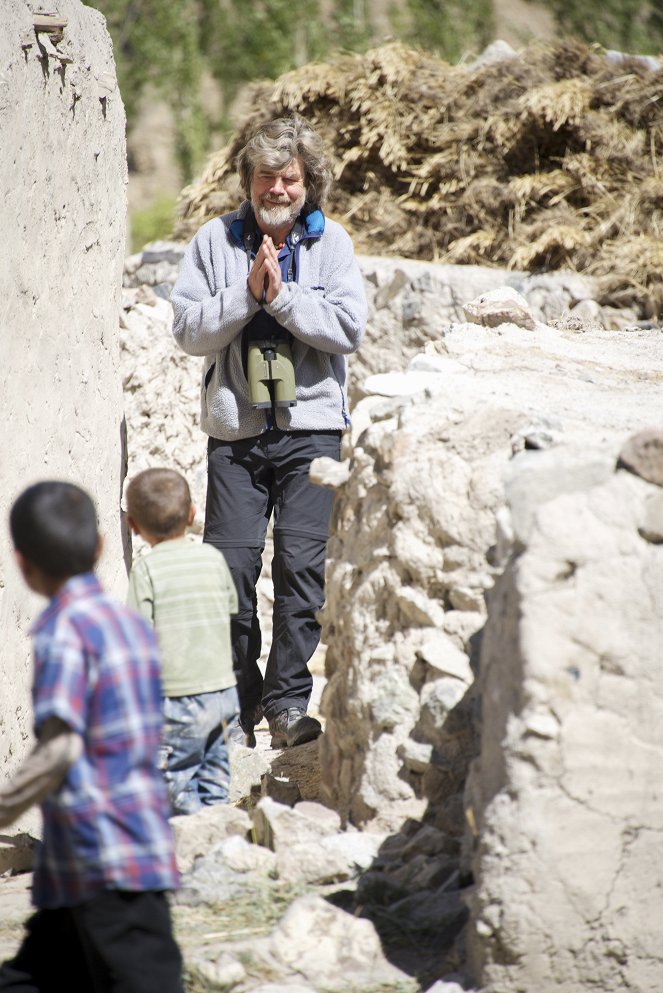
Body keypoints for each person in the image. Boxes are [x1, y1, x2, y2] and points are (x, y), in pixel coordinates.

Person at [171, 114, 368, 749]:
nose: (277, 190)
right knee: (230, 567)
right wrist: (246, 296)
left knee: (300, 570)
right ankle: (241, 698)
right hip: (236, 431)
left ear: (309, 182)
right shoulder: (213, 241)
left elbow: (346, 330)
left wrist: (281, 299)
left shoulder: (331, 244)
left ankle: (287, 705)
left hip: (311, 429)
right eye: (265, 178)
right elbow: (187, 331)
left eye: (289, 178)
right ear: (248, 182)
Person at [0, 481, 183, 993]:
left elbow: (59, 748)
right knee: (41, 975)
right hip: (124, 843)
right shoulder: (129, 625)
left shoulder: (62, 632)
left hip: (99, 854)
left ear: (23, 564)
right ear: (102, 546)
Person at [125, 467, 239, 813]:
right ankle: (219, 837)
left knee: (177, 781)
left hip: (177, 698)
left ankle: (185, 849)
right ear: (192, 514)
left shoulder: (146, 569)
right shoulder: (213, 558)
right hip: (223, 693)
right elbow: (231, 607)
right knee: (216, 774)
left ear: (133, 526)